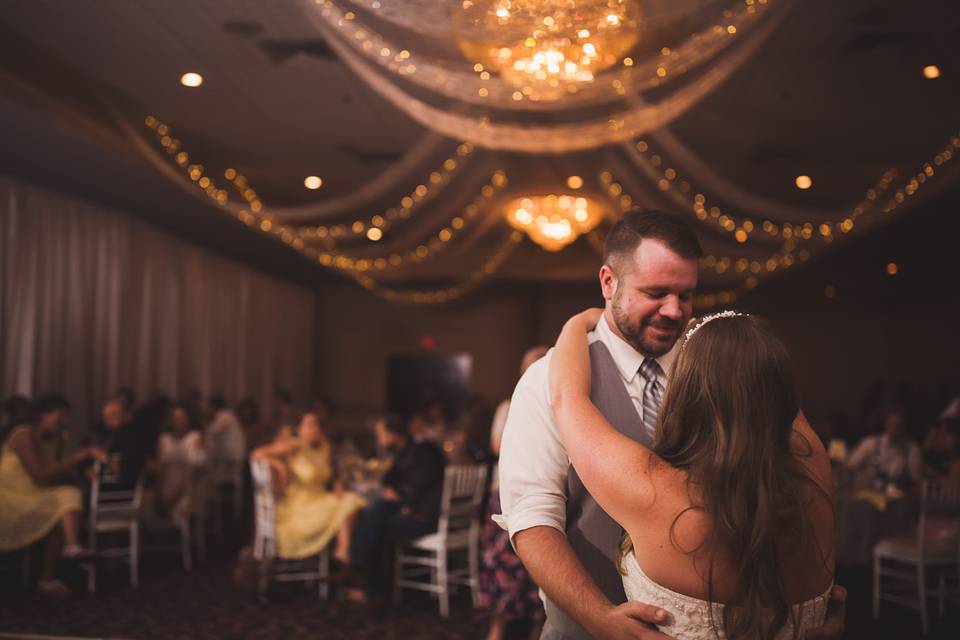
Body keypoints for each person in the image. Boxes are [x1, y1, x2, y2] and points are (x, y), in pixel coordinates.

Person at [497, 209, 846, 640]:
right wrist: (598, 617)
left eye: (686, 294)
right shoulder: (546, 378)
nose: (674, 310)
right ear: (609, 283)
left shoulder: (720, 370)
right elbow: (532, 518)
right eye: (656, 292)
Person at [550, 309, 836, 639]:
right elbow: (772, 399)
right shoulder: (816, 469)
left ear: (687, 391)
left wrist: (578, 322)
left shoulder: (654, 492)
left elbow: (566, 399)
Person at [0, 394, 106, 594]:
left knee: (65, 504)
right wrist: (80, 456)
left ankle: (50, 574)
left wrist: (83, 471)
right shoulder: (23, 434)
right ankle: (71, 547)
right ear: (44, 415)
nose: (64, 421)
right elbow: (40, 474)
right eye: (61, 415)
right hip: (9, 498)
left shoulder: (55, 439)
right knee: (66, 496)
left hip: (33, 495)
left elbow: (58, 469)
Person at [482, 346, 549, 640]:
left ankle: (539, 626)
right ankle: (498, 627)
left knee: (542, 562)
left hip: (545, 490)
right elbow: (497, 445)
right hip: (505, 492)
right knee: (503, 561)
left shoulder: (558, 404)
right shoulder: (508, 406)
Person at [348, 415, 446, 603]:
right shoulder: (404, 450)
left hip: (424, 516)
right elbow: (388, 479)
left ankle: (370, 584)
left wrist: (404, 499)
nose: (379, 439)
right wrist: (397, 494)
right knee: (375, 512)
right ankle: (365, 575)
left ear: (393, 434)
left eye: (381, 434)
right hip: (411, 509)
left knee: (379, 524)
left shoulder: (422, 450)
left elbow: (424, 484)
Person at [250, 410, 365, 564]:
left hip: (321, 498)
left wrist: (338, 483)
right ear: (300, 430)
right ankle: (343, 556)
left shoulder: (325, 447)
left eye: (317, 425)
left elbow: (334, 472)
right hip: (300, 505)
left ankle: (343, 554)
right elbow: (256, 454)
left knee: (352, 502)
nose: (315, 429)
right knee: (350, 502)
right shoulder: (294, 447)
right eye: (310, 425)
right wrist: (278, 464)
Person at [846, 408, 922, 492]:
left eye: (898, 425)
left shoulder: (912, 449)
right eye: (892, 424)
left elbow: (916, 481)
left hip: (899, 498)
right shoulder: (870, 443)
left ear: (904, 426)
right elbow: (850, 467)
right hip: (870, 497)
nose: (894, 429)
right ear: (886, 424)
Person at [154, 404, 207, 521]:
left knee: (179, 509)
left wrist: (174, 498)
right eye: (175, 418)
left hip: (189, 486)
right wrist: (158, 493)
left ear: (188, 419)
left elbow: (197, 470)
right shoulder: (164, 439)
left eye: (182, 418)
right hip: (167, 483)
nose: (178, 421)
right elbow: (160, 468)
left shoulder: (194, 438)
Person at [88, 398, 150, 489]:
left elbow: (127, 473)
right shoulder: (107, 435)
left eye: (113, 415)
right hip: (102, 490)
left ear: (126, 415)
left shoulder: (133, 437)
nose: (108, 420)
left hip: (122, 492)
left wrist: (104, 457)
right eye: (105, 416)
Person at [204, 394, 246, 467]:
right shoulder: (228, 416)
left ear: (214, 407)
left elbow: (213, 431)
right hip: (232, 456)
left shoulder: (225, 416)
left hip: (233, 456)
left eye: (209, 407)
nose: (208, 409)